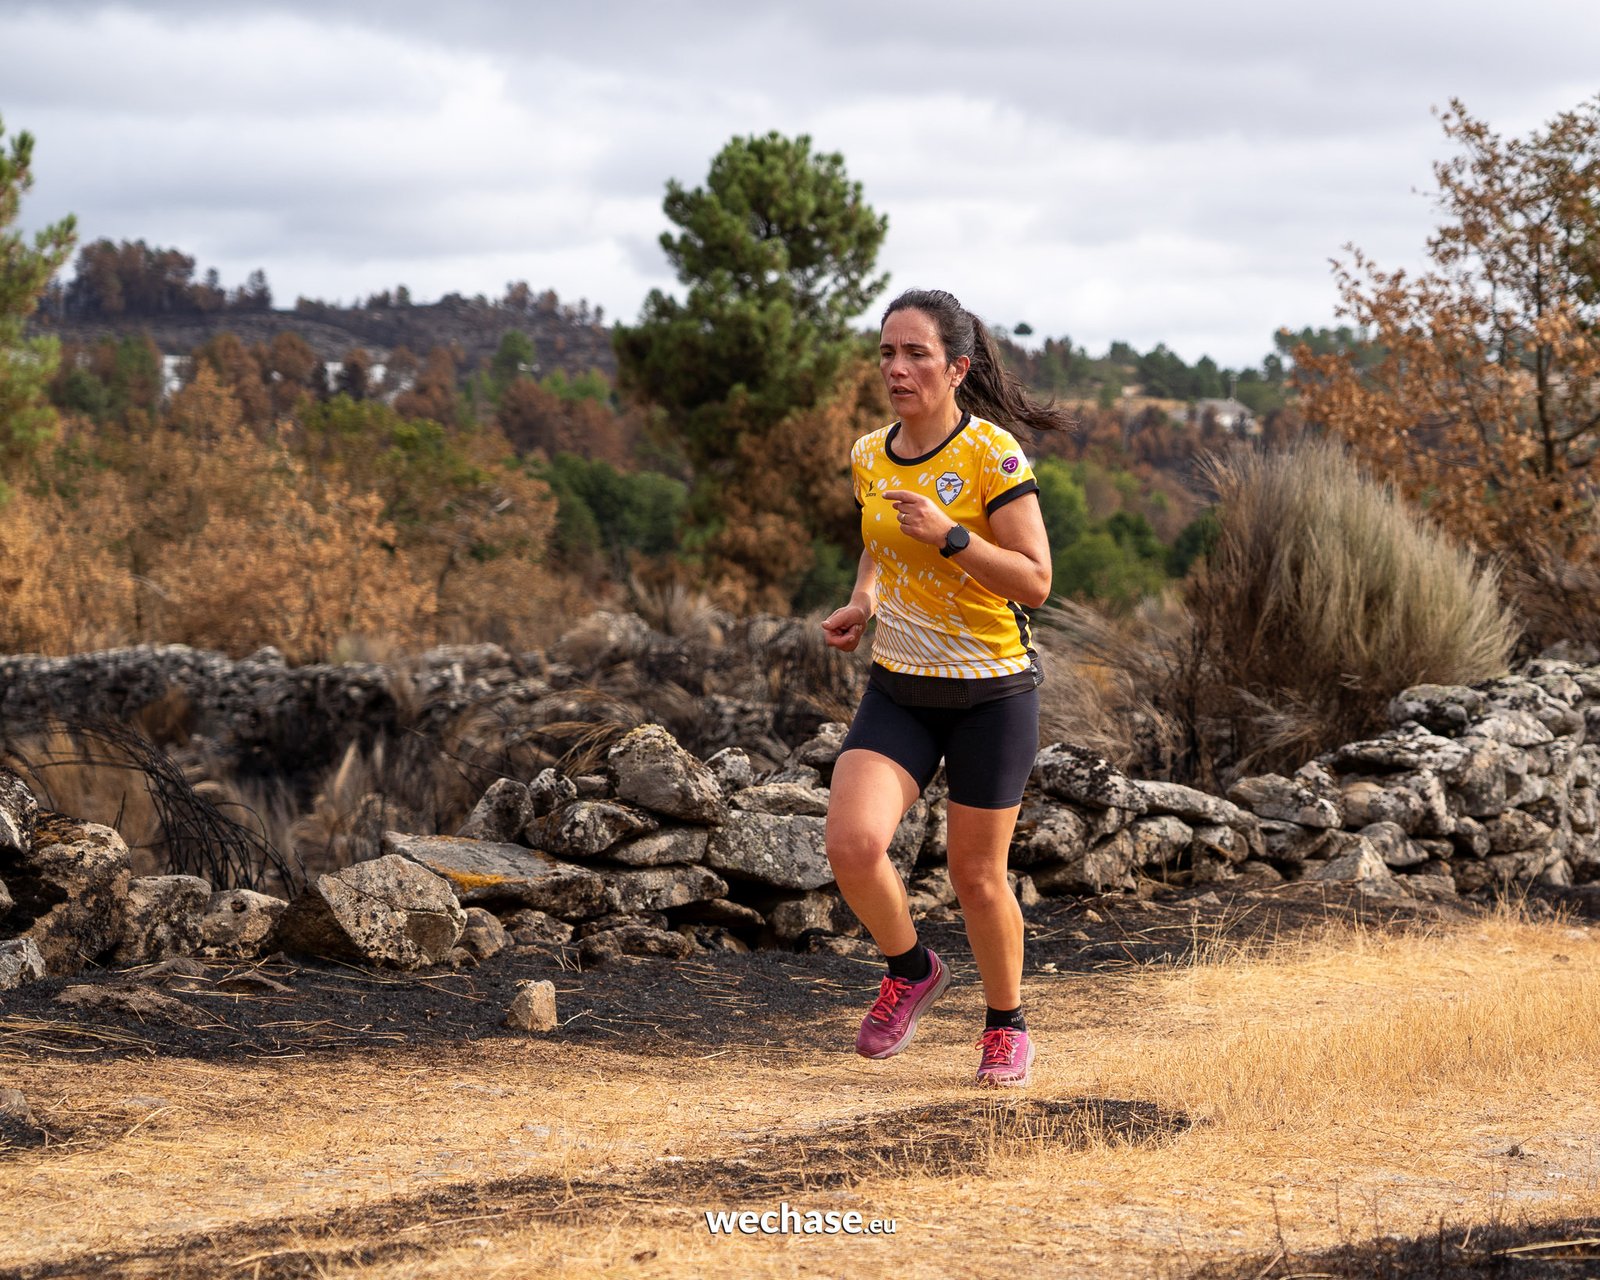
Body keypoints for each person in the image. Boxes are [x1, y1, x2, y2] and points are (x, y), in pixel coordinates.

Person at [821, 287, 1072, 1087]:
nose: (896, 368)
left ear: (957, 367)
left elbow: (1035, 580)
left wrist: (954, 534)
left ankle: (1006, 1024)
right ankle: (911, 967)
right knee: (853, 845)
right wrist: (864, 601)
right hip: (899, 686)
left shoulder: (991, 455)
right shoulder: (869, 453)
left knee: (976, 877)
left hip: (992, 694)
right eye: (888, 353)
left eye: (916, 353)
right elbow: (879, 540)